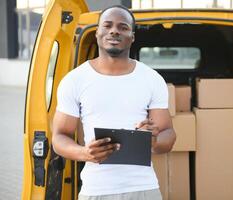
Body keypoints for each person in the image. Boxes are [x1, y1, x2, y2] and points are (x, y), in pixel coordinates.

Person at [52, 5, 176, 200]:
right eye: (107, 25)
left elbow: (168, 135)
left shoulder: (152, 79)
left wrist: (154, 141)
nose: (114, 31)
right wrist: (85, 153)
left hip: (144, 189)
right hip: (95, 191)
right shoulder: (74, 80)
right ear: (98, 32)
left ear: (132, 37)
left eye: (123, 27)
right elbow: (59, 138)